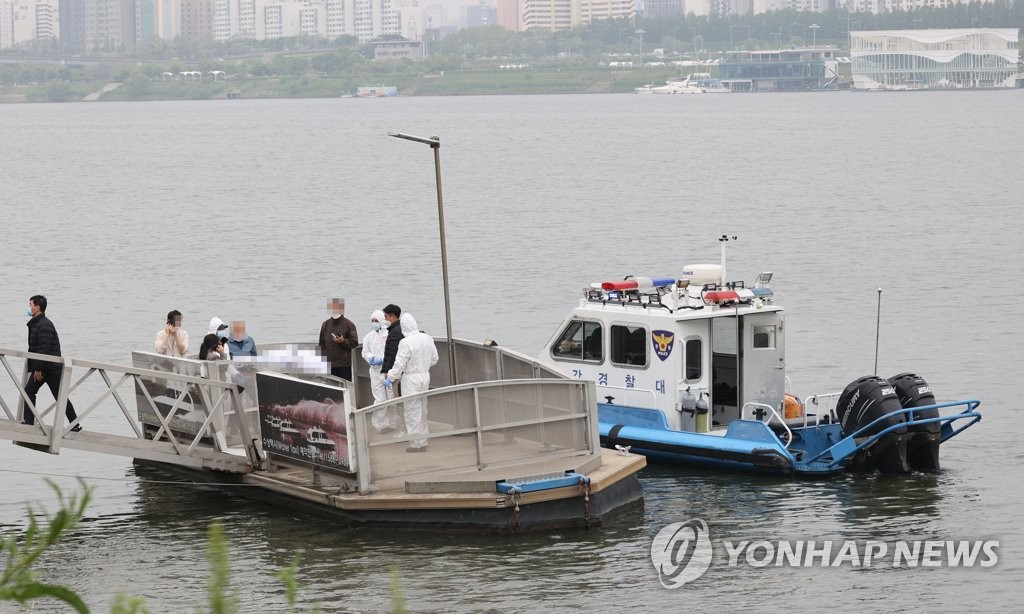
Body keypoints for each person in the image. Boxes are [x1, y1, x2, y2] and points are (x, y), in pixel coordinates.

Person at [23, 295, 82, 431]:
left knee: (56, 395)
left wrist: (38, 369)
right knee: (32, 391)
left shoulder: (44, 325)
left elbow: (43, 349)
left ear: (37, 308)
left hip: (49, 368)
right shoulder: (37, 323)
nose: (28, 307)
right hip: (45, 366)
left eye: (30, 304)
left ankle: (74, 424)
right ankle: (29, 421)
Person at [385, 313, 438, 452]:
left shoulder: (406, 342)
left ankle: (416, 444)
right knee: (423, 409)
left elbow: (399, 365)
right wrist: (423, 366)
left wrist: (390, 377)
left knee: (412, 411)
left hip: (410, 378)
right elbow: (435, 359)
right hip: (425, 376)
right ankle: (424, 439)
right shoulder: (427, 338)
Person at [361, 310, 396, 434]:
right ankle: (381, 425)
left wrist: (383, 359)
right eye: (372, 321)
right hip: (375, 372)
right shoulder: (369, 336)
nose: (374, 323)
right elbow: (364, 351)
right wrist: (370, 358)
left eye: (376, 321)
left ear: (382, 321)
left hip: (388, 371)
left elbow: (393, 350)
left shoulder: (390, 334)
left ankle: (393, 423)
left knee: (392, 399)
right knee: (379, 399)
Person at [317, 298, 357, 380]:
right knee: (329, 390)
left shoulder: (349, 324)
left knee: (345, 388)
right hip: (329, 366)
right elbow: (321, 345)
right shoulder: (325, 324)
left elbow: (354, 343)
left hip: (344, 366)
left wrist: (343, 341)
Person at [379, 303, 404, 378]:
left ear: (392, 317)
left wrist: (387, 371)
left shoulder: (395, 332)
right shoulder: (401, 328)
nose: (385, 319)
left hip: (395, 371)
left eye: (386, 316)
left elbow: (392, 353)